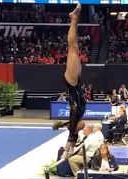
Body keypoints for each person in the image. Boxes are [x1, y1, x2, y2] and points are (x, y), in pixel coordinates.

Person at [52, 4, 86, 159]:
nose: (85, 126)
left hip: (72, 83)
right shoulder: (78, 119)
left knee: (73, 48)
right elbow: (74, 126)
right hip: (76, 82)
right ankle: (75, 19)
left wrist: (68, 148)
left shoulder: (75, 117)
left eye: (82, 128)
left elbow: (72, 123)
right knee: (75, 48)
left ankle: (73, 18)